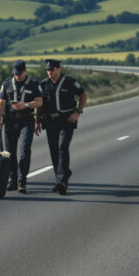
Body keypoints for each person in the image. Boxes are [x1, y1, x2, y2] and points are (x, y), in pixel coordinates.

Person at [36, 58, 87, 195]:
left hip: (66, 120)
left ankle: (62, 181)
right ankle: (60, 177)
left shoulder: (70, 82)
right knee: (54, 151)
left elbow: (83, 95)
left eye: (51, 69)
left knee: (62, 147)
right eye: (47, 69)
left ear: (59, 69)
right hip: (50, 121)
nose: (49, 72)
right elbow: (39, 105)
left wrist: (78, 112)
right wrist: (37, 122)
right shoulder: (43, 84)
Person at [0, 60, 42, 194]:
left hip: (27, 120)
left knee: (24, 150)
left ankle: (22, 181)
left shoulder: (33, 83)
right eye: (15, 74)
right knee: (9, 152)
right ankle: (12, 180)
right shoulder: (7, 83)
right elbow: (1, 103)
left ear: (25, 70)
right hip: (10, 121)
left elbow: (39, 102)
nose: (17, 76)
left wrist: (25, 105)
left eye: (19, 74)